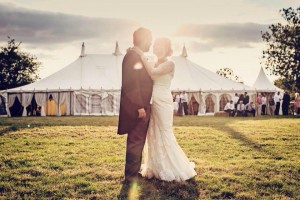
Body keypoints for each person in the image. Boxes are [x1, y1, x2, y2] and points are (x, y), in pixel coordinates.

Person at [134, 37, 197, 182]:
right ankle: (156, 166)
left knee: (164, 131)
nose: (157, 48)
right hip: (151, 100)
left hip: (163, 100)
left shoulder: (170, 64)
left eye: (160, 46)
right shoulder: (152, 62)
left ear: (167, 49)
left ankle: (173, 166)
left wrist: (142, 56)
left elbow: (153, 73)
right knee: (153, 132)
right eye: (155, 46)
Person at [117, 27, 153, 184]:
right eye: (150, 39)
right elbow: (131, 84)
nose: (151, 43)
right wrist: (139, 106)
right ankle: (130, 176)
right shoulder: (132, 57)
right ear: (144, 39)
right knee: (135, 140)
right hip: (137, 108)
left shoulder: (136, 55)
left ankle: (134, 172)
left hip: (143, 105)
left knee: (138, 140)